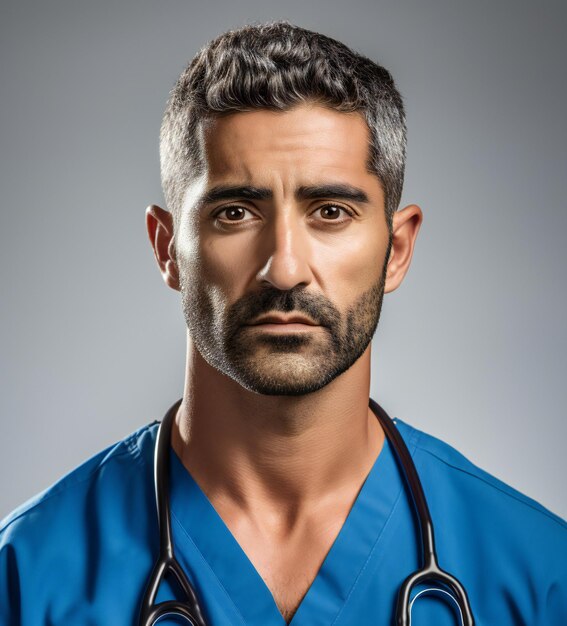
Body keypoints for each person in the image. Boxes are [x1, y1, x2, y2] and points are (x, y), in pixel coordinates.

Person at [1, 21, 566, 626]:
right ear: (168, 248)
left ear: (396, 249)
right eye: (236, 212)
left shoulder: (539, 575)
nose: (285, 269)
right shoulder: (26, 579)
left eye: (330, 211)